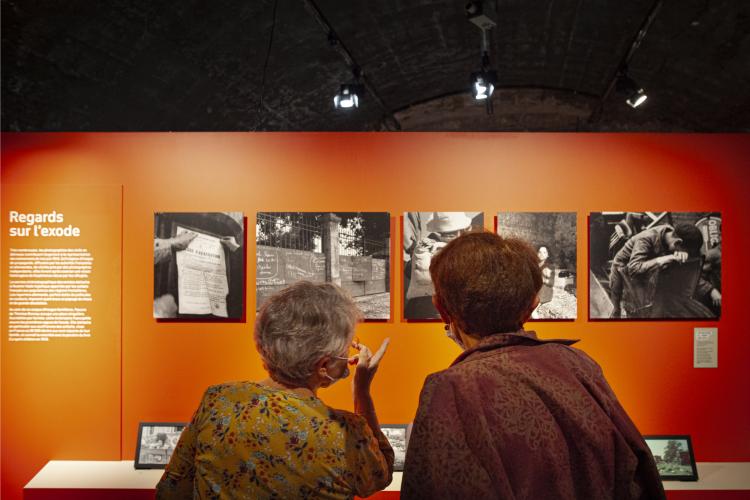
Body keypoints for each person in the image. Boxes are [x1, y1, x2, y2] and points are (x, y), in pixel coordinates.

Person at [401, 231, 665, 500]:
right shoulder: (579, 364)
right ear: (532, 306)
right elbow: (640, 471)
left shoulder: (449, 388)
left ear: (441, 309)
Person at [156, 281, 394, 499]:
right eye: (346, 347)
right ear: (323, 366)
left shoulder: (218, 400)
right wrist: (362, 391)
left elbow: (171, 490)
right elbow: (381, 473)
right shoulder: (348, 433)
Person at [609, 223, 713, 318]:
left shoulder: (671, 235)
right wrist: (665, 258)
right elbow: (634, 268)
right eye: (684, 251)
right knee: (621, 311)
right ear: (678, 242)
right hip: (622, 271)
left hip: (648, 272)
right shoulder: (646, 239)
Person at [404, 212, 473, 319]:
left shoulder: (425, 245)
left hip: (416, 310)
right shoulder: (463, 250)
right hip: (441, 313)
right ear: (461, 230)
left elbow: (408, 271)